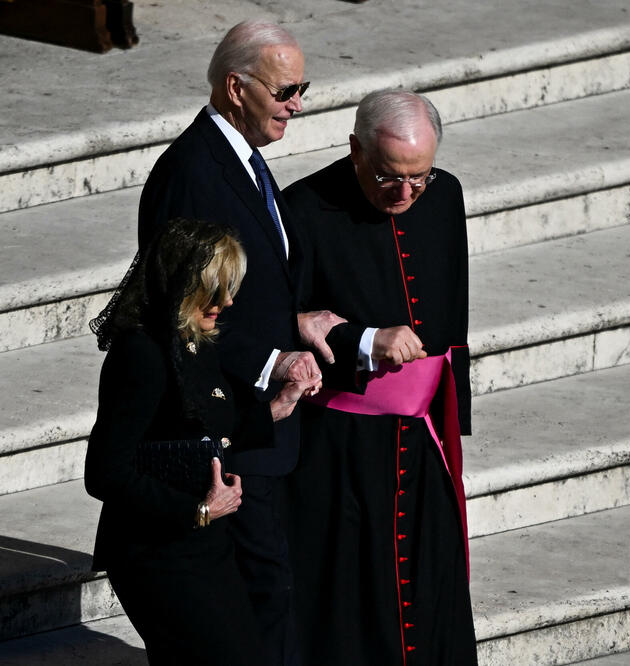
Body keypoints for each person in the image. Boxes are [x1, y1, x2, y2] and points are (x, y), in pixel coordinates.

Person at [135, 21, 345, 664]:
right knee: (261, 592)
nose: (297, 104)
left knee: (268, 589)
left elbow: (252, 283)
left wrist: (296, 321)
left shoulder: (244, 163)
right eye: (285, 90)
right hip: (228, 421)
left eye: (302, 88)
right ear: (235, 88)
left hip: (261, 422)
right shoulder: (194, 172)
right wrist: (270, 358)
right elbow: (183, 309)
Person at [283, 90, 477, 665]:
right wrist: (363, 339)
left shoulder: (446, 198)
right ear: (355, 149)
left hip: (422, 440)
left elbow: (454, 307)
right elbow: (277, 321)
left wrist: (452, 411)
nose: (407, 193)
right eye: (390, 177)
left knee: (430, 589)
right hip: (341, 447)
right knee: (352, 601)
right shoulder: (303, 210)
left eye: (420, 177)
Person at [85, 219, 320, 665]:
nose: (226, 302)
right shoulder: (141, 355)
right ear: (181, 283)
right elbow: (105, 473)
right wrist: (199, 509)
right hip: (155, 551)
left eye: (229, 288)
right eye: (214, 289)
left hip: (203, 544)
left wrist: (277, 406)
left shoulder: (194, 341)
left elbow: (208, 425)